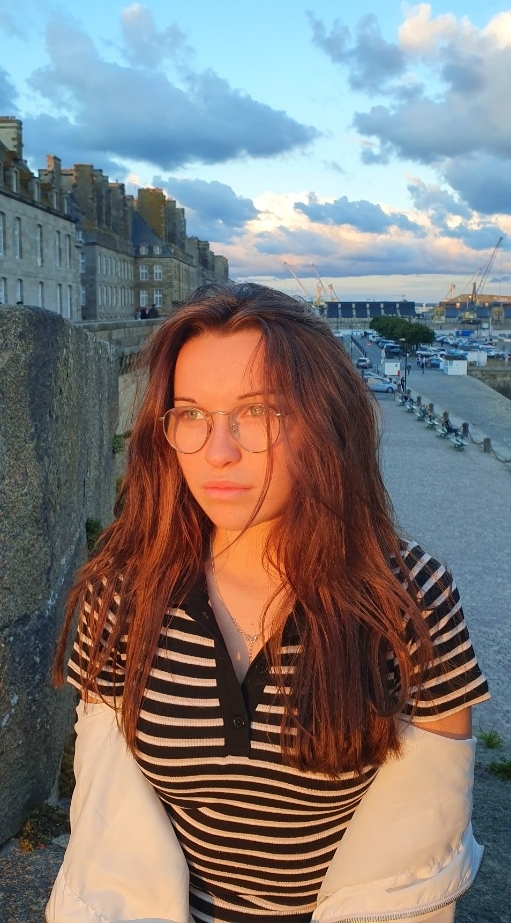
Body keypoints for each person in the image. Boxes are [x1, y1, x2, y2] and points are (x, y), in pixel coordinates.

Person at [49, 282, 489, 923]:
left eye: (256, 411)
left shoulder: (409, 596)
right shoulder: (122, 592)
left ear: (323, 421)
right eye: (191, 414)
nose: (217, 452)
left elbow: (428, 835)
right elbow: (106, 808)